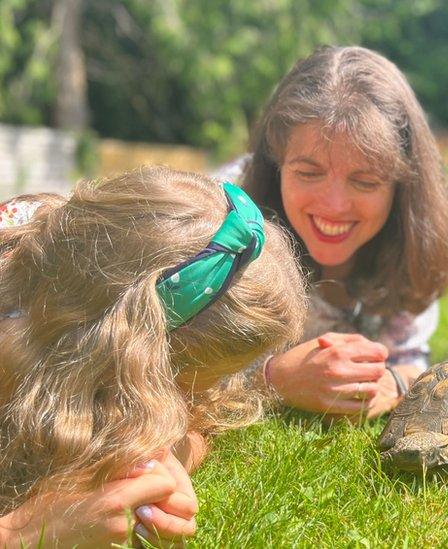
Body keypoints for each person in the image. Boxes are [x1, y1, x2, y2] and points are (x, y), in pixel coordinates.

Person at [0, 167, 306, 545]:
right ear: (128, 364)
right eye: (182, 389)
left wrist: (162, 457)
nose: (194, 405)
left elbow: (201, 425)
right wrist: (25, 531)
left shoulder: (76, 263)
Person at [216, 46, 448, 418]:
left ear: (402, 185)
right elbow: (164, 364)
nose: (334, 205)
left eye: (364, 181)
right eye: (309, 173)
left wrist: (392, 383)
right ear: (275, 162)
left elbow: (412, 357)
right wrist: (274, 378)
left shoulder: (412, 242)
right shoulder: (218, 222)